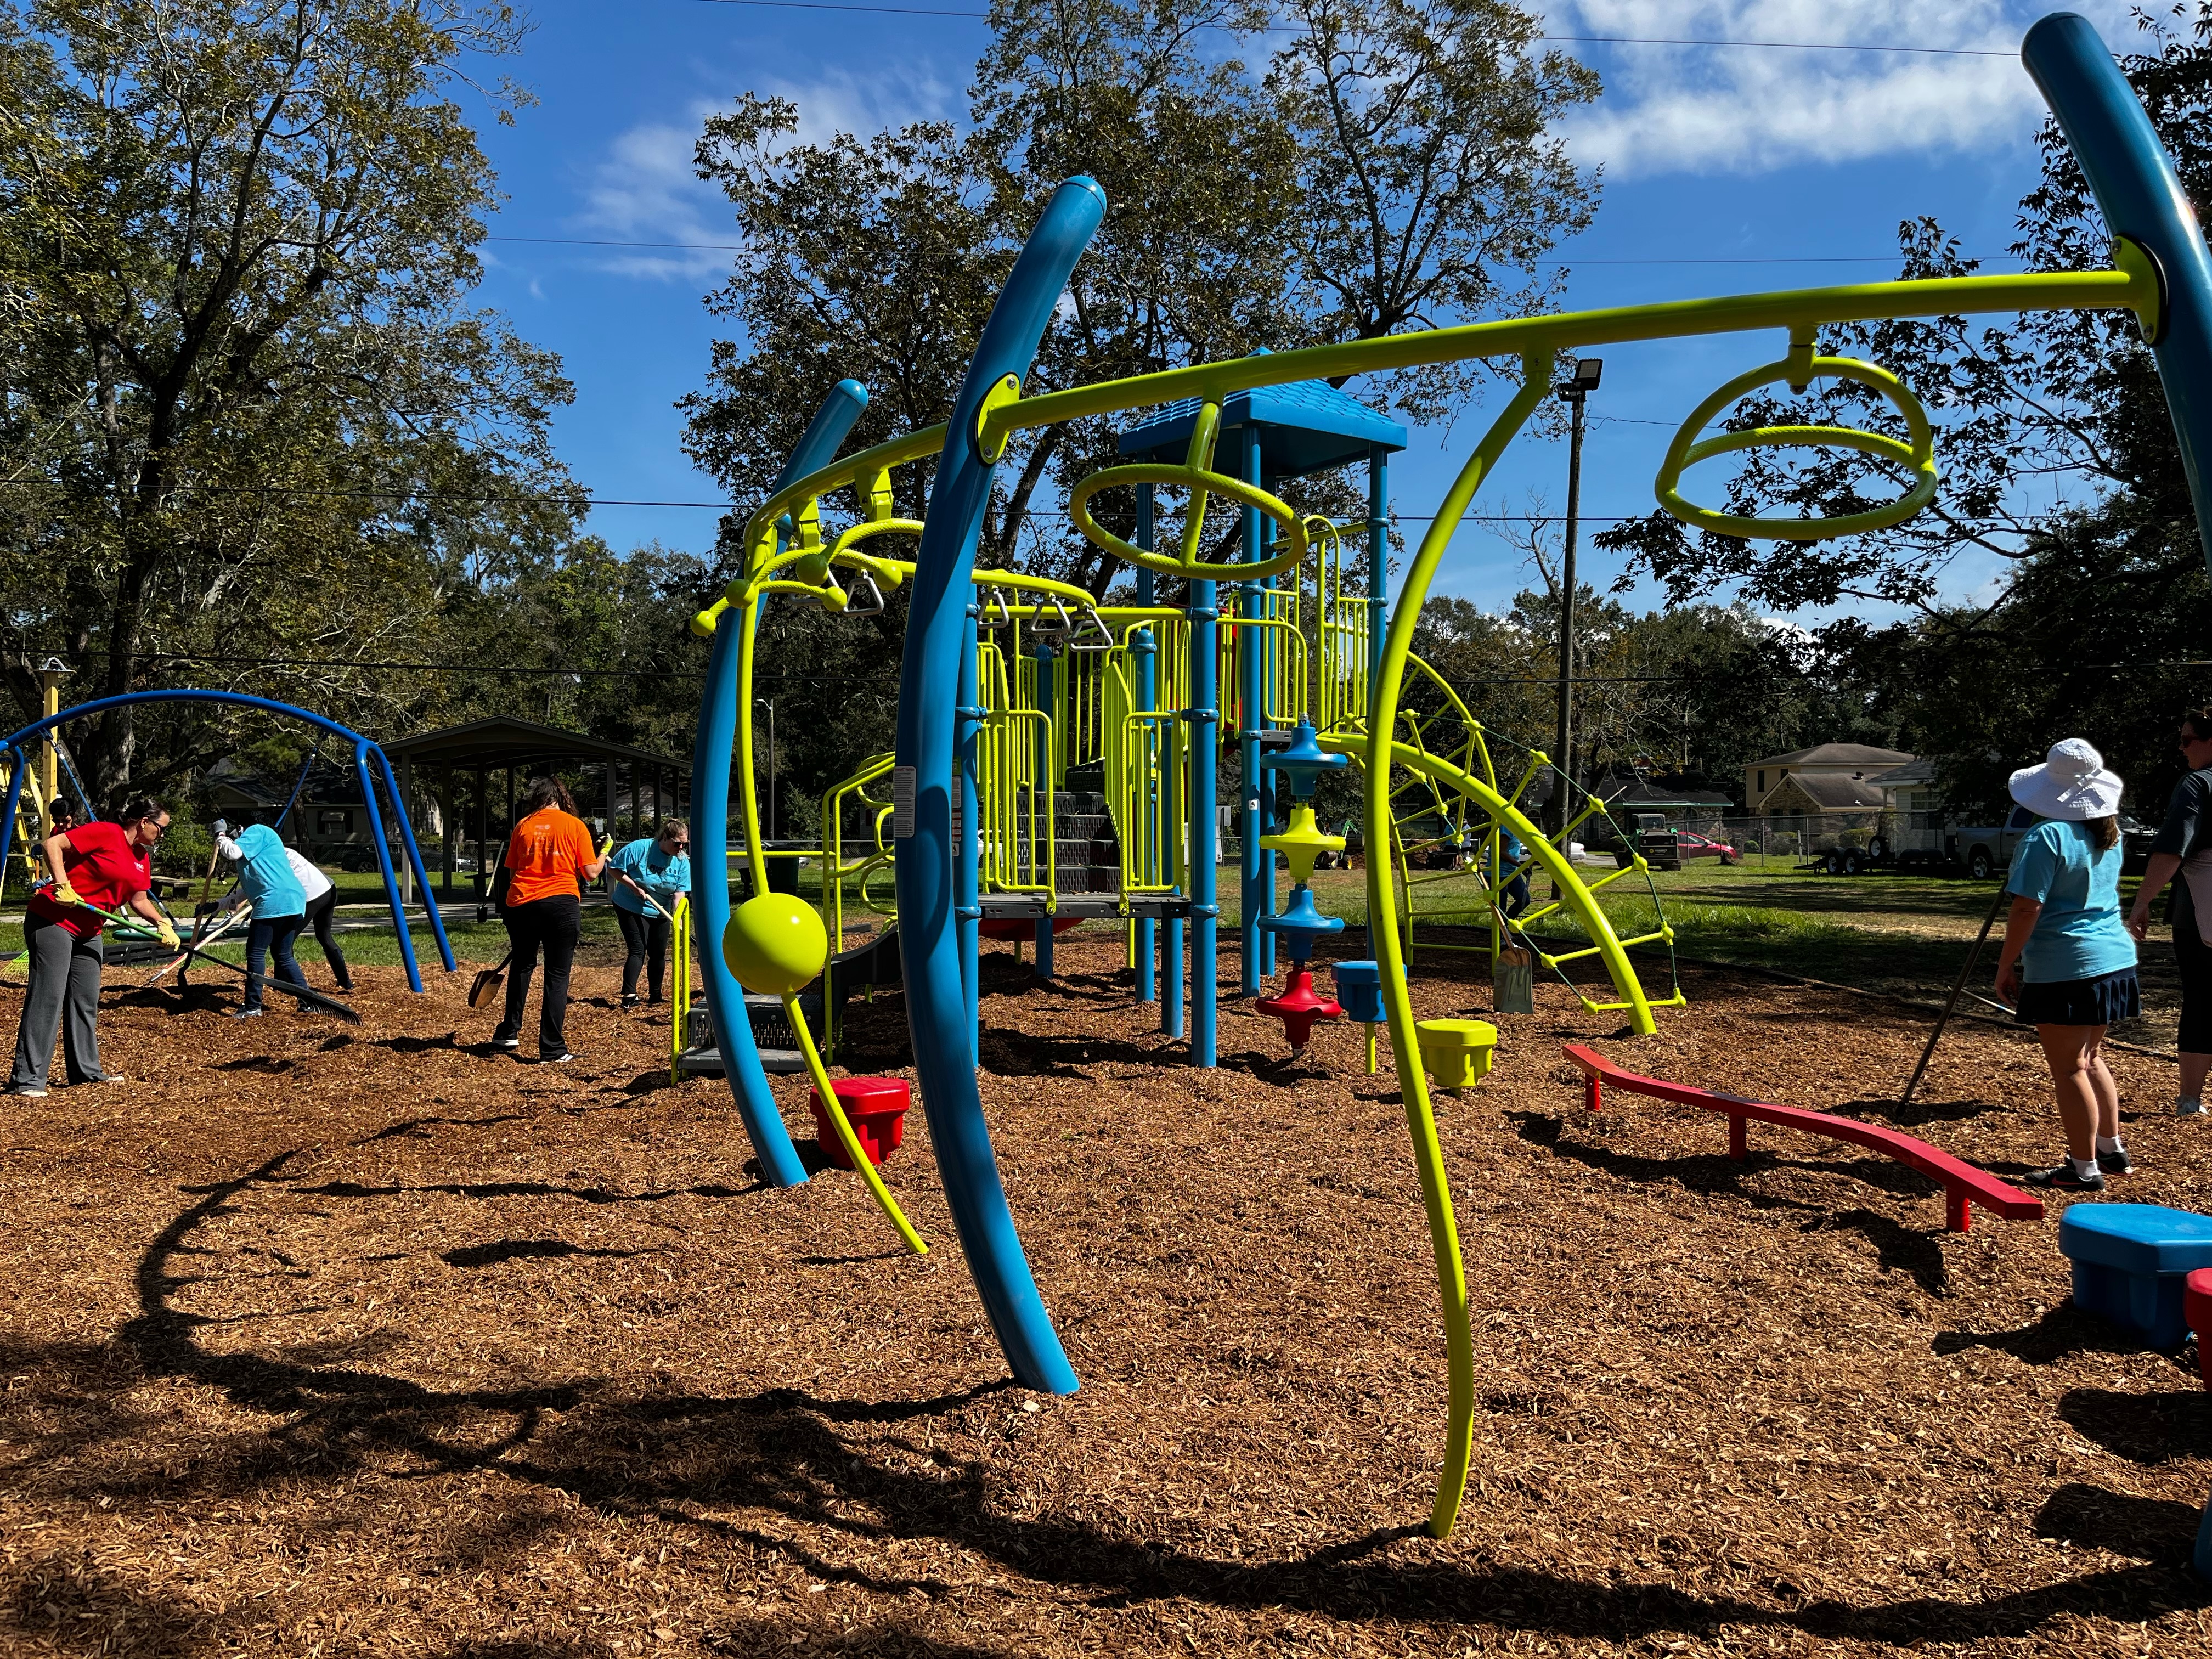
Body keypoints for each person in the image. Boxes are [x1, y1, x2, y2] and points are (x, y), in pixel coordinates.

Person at [1992, 739, 2140, 1192]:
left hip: (2067, 964)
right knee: (2091, 1058)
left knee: (2070, 1068)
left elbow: (2025, 909)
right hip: (2113, 960)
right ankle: (2110, 1149)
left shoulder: (2047, 836)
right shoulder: (2109, 834)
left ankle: (2083, 1169)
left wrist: (2006, 964)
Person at [7, 798, 177, 1097]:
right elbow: (52, 845)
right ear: (144, 823)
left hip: (90, 929)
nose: (162, 836)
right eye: (161, 829)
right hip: (54, 919)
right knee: (49, 996)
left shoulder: (141, 857)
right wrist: (62, 884)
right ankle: (28, 1080)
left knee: (85, 1000)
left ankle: (86, 1071)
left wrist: (161, 923)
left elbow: (138, 900)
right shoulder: (106, 833)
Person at [2125, 705, 2212, 1117]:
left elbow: (2172, 847)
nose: (2182, 749)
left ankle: (2191, 1098)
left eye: (2187, 740)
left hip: (2202, 907)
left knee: (2201, 995)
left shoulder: (2197, 784)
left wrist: (2142, 902)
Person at [493, 775, 607, 1062]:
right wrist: (604, 852)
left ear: (537, 800)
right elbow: (591, 872)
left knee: (522, 965)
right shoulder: (575, 826)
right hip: (561, 902)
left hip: (521, 903)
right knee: (557, 974)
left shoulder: (523, 826)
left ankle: (509, 1031)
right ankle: (552, 1047)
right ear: (560, 798)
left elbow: (512, 872)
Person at [212, 814, 310, 1018]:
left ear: (240, 828)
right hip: (292, 900)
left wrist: (220, 835)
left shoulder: (257, 831)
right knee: (283, 956)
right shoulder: (260, 852)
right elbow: (248, 891)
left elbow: (232, 852)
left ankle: (252, 1006)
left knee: (256, 953)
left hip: (275, 901)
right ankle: (308, 1001)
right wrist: (217, 905)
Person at [605, 819, 690, 1008]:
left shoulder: (682, 861)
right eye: (678, 843)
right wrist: (634, 887)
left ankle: (655, 995)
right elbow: (614, 869)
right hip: (630, 905)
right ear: (666, 838)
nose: (681, 847)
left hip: (660, 909)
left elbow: (678, 893)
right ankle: (629, 995)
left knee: (658, 953)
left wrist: (677, 918)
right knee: (638, 949)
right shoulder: (641, 848)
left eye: (685, 844)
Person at [285, 843, 353, 993]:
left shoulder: (274, 858)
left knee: (286, 939)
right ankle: (346, 982)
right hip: (329, 888)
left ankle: (287, 983)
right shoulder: (288, 852)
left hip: (314, 895)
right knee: (325, 937)